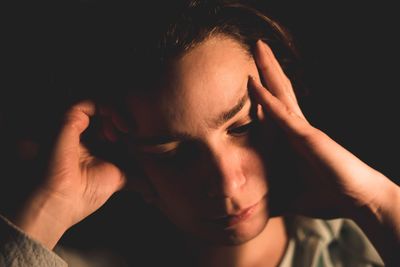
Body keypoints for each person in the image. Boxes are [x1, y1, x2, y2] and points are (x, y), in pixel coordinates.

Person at [1, 1, 399, 266]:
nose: (226, 181)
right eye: (172, 153)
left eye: (242, 128)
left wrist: (379, 202)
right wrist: (49, 207)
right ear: (129, 160)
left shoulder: (370, 246)